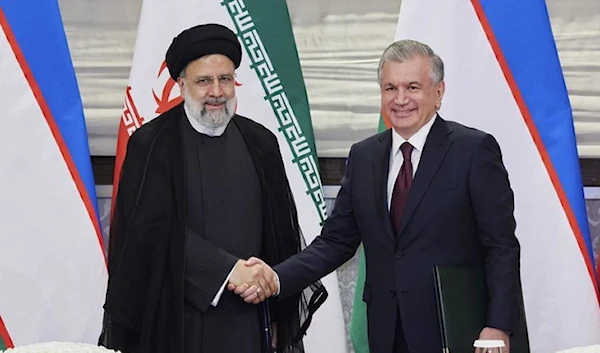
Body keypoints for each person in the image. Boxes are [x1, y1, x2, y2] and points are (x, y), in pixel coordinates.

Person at [231, 39, 521, 353]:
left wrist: (498, 327)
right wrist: (275, 277)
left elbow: (501, 247)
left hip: (456, 329)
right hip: (386, 330)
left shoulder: (474, 150)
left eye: (412, 87)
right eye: (390, 88)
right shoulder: (364, 156)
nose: (400, 100)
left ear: (438, 93)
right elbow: (336, 242)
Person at [99, 23, 326, 353]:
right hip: (177, 322)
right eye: (203, 81)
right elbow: (148, 233)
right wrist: (226, 270)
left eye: (226, 79)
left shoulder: (261, 142)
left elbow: (281, 235)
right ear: (180, 84)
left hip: (250, 319)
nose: (217, 91)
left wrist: (278, 312)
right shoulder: (151, 144)